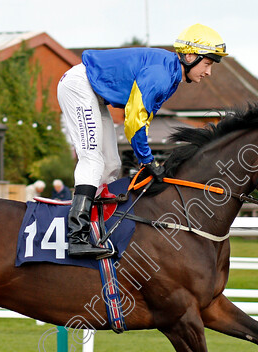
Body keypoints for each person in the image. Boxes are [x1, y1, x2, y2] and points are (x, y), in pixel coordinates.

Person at [57, 23, 227, 258]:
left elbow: (141, 119)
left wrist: (144, 159)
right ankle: (76, 236)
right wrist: (147, 161)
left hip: (93, 92)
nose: (208, 72)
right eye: (208, 64)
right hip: (79, 86)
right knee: (93, 159)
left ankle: (97, 228)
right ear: (190, 56)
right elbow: (134, 120)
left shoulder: (171, 75)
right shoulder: (161, 75)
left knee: (112, 165)